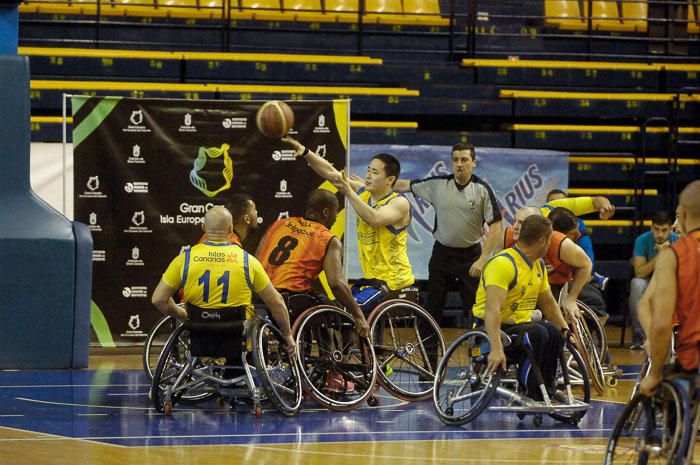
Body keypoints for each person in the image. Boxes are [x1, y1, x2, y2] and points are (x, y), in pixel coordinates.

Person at [282, 136, 418, 302]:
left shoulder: (399, 203)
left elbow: (374, 218)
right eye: (368, 170)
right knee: (337, 309)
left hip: (394, 283)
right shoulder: (363, 193)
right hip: (371, 281)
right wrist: (306, 152)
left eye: (374, 172)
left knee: (352, 312)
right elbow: (331, 173)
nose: (368, 175)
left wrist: (349, 192)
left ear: (390, 180)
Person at [152, 206, 296, 355]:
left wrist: (181, 314)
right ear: (230, 229)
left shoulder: (185, 259)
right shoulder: (247, 261)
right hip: (237, 332)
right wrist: (287, 335)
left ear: (203, 228)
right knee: (260, 319)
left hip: (198, 329)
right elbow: (277, 302)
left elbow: (158, 299)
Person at [391, 143, 503, 328]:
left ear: (473, 163)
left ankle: (476, 355)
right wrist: (372, 185)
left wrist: (483, 260)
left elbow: (497, 225)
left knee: (475, 309)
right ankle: (430, 356)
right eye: (455, 160)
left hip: (471, 256)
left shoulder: (482, 189)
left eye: (464, 160)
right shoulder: (439, 185)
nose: (459, 164)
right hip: (442, 255)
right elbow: (405, 185)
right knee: (433, 308)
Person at [476, 215, 569, 400]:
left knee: (553, 331)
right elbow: (492, 309)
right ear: (542, 240)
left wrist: (565, 329)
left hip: (520, 327)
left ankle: (547, 387)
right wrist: (496, 348)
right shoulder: (503, 264)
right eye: (550, 240)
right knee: (538, 333)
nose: (550, 244)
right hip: (494, 329)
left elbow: (548, 302)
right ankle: (532, 391)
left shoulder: (538, 264)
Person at [256, 188, 370, 337]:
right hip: (290, 298)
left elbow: (256, 260)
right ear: (326, 212)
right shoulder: (327, 238)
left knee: (319, 298)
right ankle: (337, 354)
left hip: (259, 294)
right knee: (342, 310)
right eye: (336, 212)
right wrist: (359, 316)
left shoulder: (279, 224)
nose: (336, 218)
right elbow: (336, 284)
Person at [640, 180, 700, 396]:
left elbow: (660, 321)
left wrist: (655, 372)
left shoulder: (674, 255)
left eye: (676, 217)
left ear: (684, 214)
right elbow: (645, 304)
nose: (674, 225)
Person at [498, 206, 593, 320]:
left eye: (522, 223)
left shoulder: (559, 242)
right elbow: (497, 270)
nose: (515, 227)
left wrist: (571, 299)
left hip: (553, 286)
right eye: (515, 221)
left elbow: (586, 264)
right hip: (519, 286)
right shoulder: (506, 236)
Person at [629, 211, 679, 349]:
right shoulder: (642, 240)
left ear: (670, 229)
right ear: (651, 228)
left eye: (664, 230)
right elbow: (639, 272)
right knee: (636, 284)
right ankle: (639, 338)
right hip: (647, 279)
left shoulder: (678, 240)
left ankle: (675, 337)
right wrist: (661, 256)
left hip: (670, 280)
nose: (660, 234)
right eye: (656, 230)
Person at [546, 189, 608, 291]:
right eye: (553, 204)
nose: (558, 208)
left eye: (562, 203)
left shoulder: (577, 224)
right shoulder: (541, 226)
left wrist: (606, 207)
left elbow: (599, 200)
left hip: (570, 273)